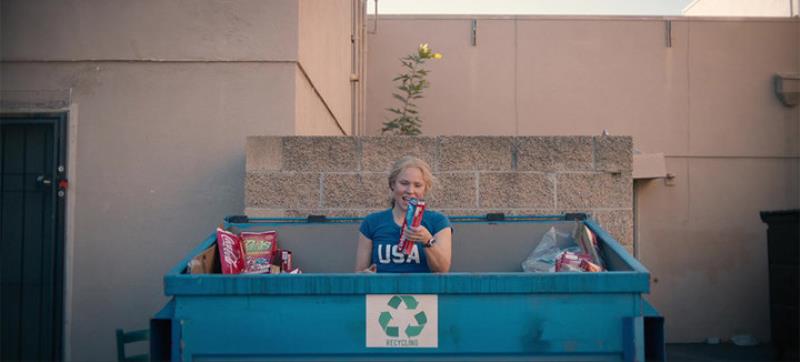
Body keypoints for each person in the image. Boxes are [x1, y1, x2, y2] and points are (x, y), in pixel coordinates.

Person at [355, 156, 453, 273]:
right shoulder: (372, 222)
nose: (410, 190)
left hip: (422, 290)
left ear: (425, 190)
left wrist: (427, 241)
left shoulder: (438, 222)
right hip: (383, 290)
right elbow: (359, 274)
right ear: (392, 184)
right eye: (404, 183)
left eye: (417, 185)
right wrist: (366, 275)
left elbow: (443, 270)